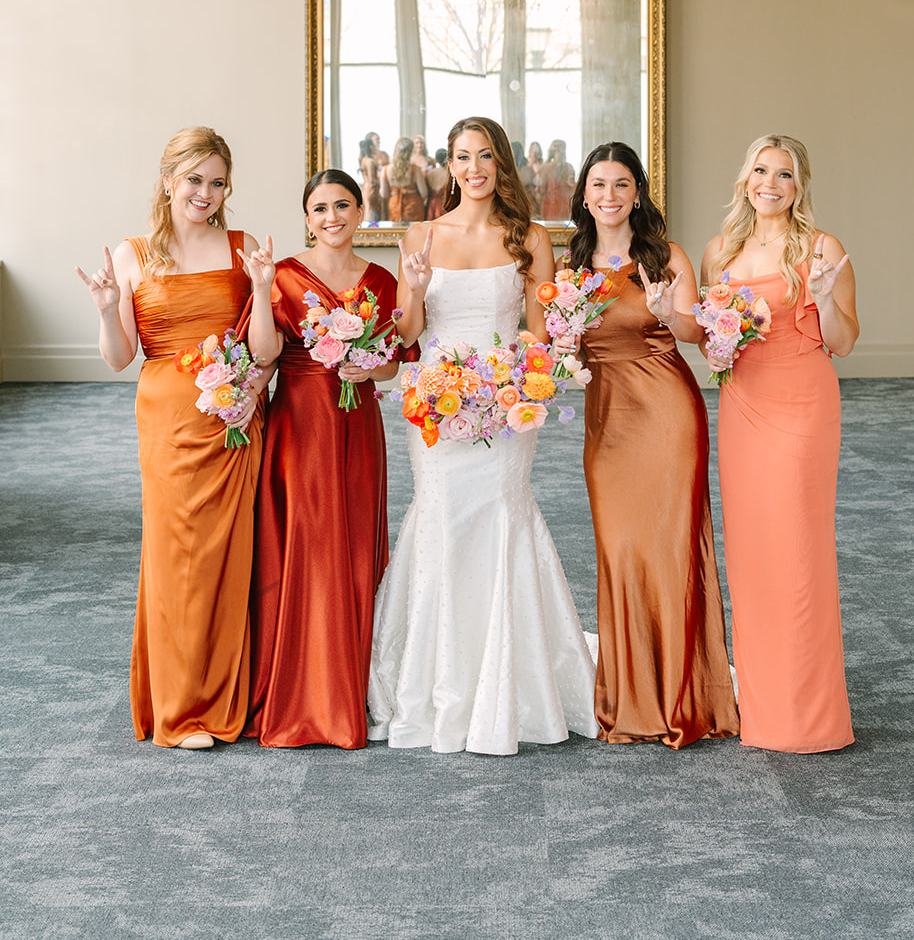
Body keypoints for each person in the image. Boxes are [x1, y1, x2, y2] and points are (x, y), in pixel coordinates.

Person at [368, 115, 597, 754]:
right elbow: (408, 334)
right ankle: (437, 683)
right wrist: (414, 288)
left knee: (501, 514)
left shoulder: (529, 237)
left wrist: (515, 384)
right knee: (440, 515)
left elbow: (539, 335)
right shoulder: (421, 234)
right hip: (436, 406)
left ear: (502, 165)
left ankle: (511, 684)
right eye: (463, 157)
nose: (474, 168)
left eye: (486, 156)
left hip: (503, 401)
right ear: (450, 165)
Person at [75, 127, 262, 750]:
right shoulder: (132, 255)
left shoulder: (242, 249)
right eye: (194, 180)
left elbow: (265, 345)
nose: (205, 193)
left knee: (228, 556)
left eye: (217, 183)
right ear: (167, 181)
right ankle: (181, 709)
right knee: (176, 555)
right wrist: (108, 309)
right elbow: (119, 357)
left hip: (232, 420)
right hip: (168, 422)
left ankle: (226, 694)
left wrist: (250, 393)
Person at [566, 142, 739, 748]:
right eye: (598, 185)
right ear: (584, 195)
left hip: (667, 414)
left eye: (621, 184)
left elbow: (694, 333)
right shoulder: (570, 265)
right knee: (619, 549)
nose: (609, 196)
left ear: (637, 193)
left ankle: (680, 698)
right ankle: (631, 696)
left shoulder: (667, 256)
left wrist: (668, 311)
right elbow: (564, 347)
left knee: (669, 550)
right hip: (607, 420)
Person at [242, 169, 411, 748]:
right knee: (305, 545)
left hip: (358, 425)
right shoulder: (285, 275)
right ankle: (301, 690)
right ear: (307, 218)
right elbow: (261, 352)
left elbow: (394, 362)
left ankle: (348, 685)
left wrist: (371, 367)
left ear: (360, 212)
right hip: (300, 426)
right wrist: (261, 287)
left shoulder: (381, 281)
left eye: (343, 205)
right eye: (320, 208)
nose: (332, 216)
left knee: (354, 544)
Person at [700, 133, 858, 754]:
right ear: (745, 180)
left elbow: (843, 341)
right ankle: (763, 705)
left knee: (798, 550)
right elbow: (714, 342)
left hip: (801, 406)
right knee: (751, 551)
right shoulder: (720, 251)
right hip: (742, 406)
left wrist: (824, 295)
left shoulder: (822, 248)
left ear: (799, 186)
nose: (771, 183)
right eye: (761, 171)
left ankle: (807, 716)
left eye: (785, 174)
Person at [384, 136, 428, 223]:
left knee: (395, 230)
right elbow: (424, 192)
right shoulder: (415, 169)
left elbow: (384, 194)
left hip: (394, 204)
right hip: (413, 204)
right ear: (410, 152)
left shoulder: (386, 169)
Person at [539, 138, 575, 221]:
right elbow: (541, 190)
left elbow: (572, 189)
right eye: (558, 151)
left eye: (561, 151)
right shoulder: (546, 167)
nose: (560, 154)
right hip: (551, 205)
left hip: (563, 206)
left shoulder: (569, 167)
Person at [424, 147, 450, 220]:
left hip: (431, 206)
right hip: (445, 206)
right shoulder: (450, 174)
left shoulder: (429, 173)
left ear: (436, 160)